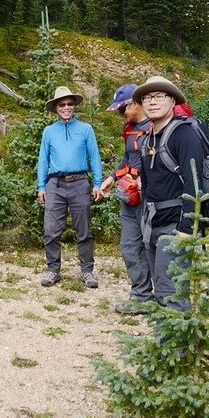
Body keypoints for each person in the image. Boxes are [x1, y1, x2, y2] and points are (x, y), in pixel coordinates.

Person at [133, 76, 204, 312]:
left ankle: (178, 348)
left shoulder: (183, 135)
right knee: (162, 287)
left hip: (175, 224)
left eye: (159, 96)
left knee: (172, 291)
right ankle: (167, 343)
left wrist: (186, 228)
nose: (152, 102)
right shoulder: (148, 139)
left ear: (172, 100)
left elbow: (195, 183)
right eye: (147, 97)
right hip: (152, 222)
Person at [37, 86, 103, 288]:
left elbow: (94, 157)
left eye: (69, 104)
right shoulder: (49, 131)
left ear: (74, 106)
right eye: (62, 104)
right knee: (50, 230)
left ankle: (87, 271)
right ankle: (53, 270)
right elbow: (43, 160)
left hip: (80, 183)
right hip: (55, 184)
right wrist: (41, 186)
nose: (66, 107)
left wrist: (98, 183)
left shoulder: (86, 129)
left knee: (83, 230)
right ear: (56, 108)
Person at [99, 84, 155, 313]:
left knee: (152, 246)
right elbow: (127, 157)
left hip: (152, 198)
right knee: (129, 245)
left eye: (123, 109)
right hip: (128, 195)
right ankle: (141, 296)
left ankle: (166, 298)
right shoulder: (129, 129)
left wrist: (146, 182)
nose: (121, 115)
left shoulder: (157, 126)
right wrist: (112, 177)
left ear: (136, 103)